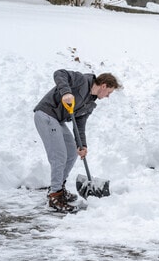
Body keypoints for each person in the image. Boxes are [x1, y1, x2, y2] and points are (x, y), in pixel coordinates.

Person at [34, 70, 121, 213]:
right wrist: (66, 92)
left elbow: (79, 125)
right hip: (46, 114)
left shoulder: (90, 104)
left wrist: (82, 145)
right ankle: (55, 196)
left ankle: (58, 187)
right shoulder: (82, 80)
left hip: (58, 120)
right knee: (59, 155)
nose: (108, 97)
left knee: (72, 152)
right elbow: (59, 73)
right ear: (104, 86)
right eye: (109, 93)